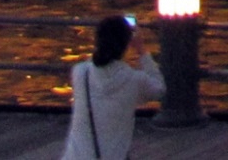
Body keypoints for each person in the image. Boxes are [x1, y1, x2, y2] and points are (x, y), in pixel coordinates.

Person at [59, 12, 161, 160]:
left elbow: (94, 63)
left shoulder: (80, 73)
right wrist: (141, 50)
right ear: (126, 44)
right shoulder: (134, 80)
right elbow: (159, 89)